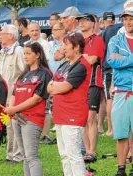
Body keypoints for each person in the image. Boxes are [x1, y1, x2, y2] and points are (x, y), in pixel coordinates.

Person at [5, 42, 52, 176]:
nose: (25, 56)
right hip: (16, 118)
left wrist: (14, 109)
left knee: (32, 156)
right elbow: (14, 93)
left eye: (28, 53)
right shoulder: (23, 74)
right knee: (25, 156)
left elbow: (37, 98)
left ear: (37, 55)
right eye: (24, 53)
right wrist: (12, 108)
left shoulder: (44, 73)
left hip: (32, 119)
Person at [47, 32, 91, 176]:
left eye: (66, 45)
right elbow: (49, 86)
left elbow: (66, 86)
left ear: (77, 47)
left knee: (73, 154)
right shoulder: (64, 65)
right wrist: (55, 85)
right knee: (64, 155)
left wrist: (55, 85)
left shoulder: (82, 65)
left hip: (74, 114)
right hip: (60, 114)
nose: (63, 48)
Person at [106, 8, 133, 176]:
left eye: (131, 19)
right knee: (121, 133)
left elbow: (118, 60)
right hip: (122, 91)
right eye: (126, 19)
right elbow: (112, 61)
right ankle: (121, 168)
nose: (128, 22)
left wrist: (123, 59)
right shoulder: (116, 39)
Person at [76, 13, 105, 162]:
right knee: (82, 118)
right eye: (79, 20)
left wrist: (79, 58)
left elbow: (93, 59)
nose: (81, 23)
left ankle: (91, 151)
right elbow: (63, 56)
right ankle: (86, 150)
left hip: (93, 82)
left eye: (85, 20)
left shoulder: (97, 39)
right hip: (78, 83)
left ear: (93, 23)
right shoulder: (78, 40)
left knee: (90, 118)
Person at [0, 24, 26, 163]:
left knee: (15, 124)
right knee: (8, 124)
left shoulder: (19, 51)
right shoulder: (3, 51)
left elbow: (24, 71)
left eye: (2, 33)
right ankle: (10, 154)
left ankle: (18, 155)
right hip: (5, 93)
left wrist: (18, 90)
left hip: (15, 94)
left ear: (10, 35)